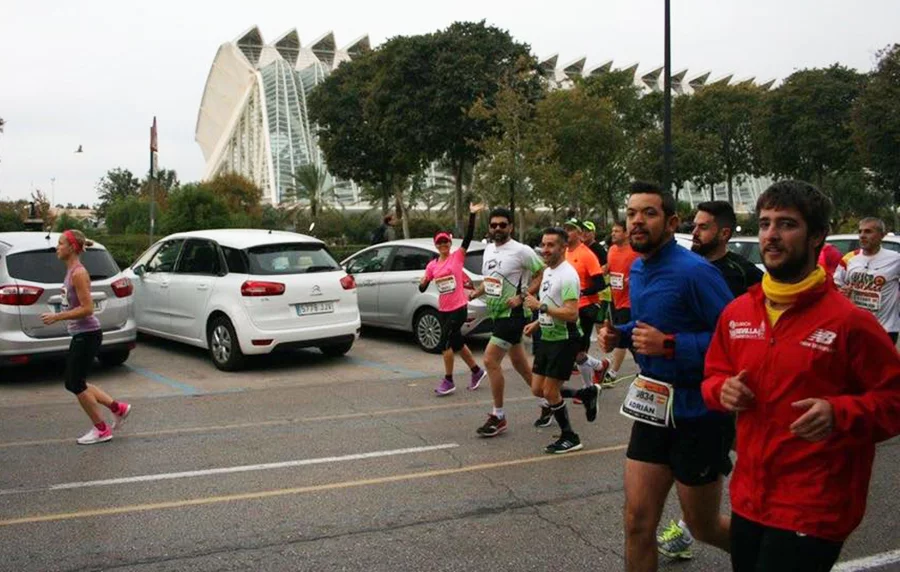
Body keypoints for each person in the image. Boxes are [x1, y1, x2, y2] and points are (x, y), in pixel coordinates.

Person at [701, 180, 900, 572]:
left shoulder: (851, 322)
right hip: (750, 498)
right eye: (764, 223)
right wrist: (721, 390)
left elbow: (894, 401)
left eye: (787, 224)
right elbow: (712, 377)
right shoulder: (738, 312)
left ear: (817, 236)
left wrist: (839, 412)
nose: (771, 236)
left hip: (814, 504)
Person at [598, 181, 734, 572]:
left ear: (672, 222)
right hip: (653, 409)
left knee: (702, 525)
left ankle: (763, 555)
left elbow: (736, 340)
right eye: (631, 213)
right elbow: (649, 325)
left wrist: (671, 345)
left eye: (649, 213)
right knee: (637, 522)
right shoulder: (638, 268)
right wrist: (621, 334)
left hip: (698, 413)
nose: (637, 221)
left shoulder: (696, 273)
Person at [657, 200, 763, 561]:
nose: (695, 231)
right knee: (734, 451)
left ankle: (761, 527)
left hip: (733, 381)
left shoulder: (742, 271)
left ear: (724, 232)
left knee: (743, 450)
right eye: (695, 224)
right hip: (698, 380)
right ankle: (698, 527)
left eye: (703, 226)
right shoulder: (689, 269)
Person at [40, 230, 132, 445]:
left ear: (72, 248)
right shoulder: (71, 270)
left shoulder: (79, 273)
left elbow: (88, 309)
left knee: (74, 383)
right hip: (82, 334)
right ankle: (118, 408)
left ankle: (102, 430)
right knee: (76, 382)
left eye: (61, 243)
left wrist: (57, 317)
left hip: (88, 334)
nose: (57, 247)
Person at [469, 207, 545, 437]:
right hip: (496, 314)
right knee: (522, 366)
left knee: (490, 360)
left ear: (511, 227)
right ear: (489, 228)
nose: (498, 229)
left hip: (513, 316)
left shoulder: (522, 251)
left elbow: (542, 273)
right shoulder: (489, 249)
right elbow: (491, 280)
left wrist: (522, 296)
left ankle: (498, 416)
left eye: (503, 225)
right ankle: (549, 403)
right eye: (494, 225)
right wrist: (477, 292)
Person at [522, 228, 596, 453]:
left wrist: (540, 307)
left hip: (565, 339)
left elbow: (572, 313)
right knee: (538, 389)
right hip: (547, 336)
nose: (545, 249)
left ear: (563, 247)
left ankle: (570, 436)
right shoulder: (549, 271)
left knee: (550, 392)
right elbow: (552, 304)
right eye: (543, 245)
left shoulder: (568, 275)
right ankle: (585, 393)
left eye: (551, 245)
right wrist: (537, 322)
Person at [419, 203, 488, 395]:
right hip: (444, 309)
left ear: (450, 243)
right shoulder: (432, 265)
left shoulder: (457, 257)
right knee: (457, 343)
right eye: (439, 243)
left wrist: (472, 215)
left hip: (459, 307)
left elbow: (467, 237)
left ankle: (448, 381)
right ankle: (477, 371)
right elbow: (423, 287)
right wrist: (423, 282)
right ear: (436, 245)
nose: (443, 245)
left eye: (446, 242)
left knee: (445, 344)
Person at [834, 217, 900, 344]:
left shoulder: (895, 259)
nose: (862, 236)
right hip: (857, 326)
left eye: (868, 231)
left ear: (882, 235)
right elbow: (836, 285)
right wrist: (842, 292)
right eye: (860, 232)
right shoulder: (850, 259)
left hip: (885, 328)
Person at [562, 219, 609, 391]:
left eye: (571, 229)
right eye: (565, 229)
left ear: (579, 233)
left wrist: (581, 292)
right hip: (567, 308)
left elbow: (600, 284)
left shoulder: (587, 254)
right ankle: (599, 366)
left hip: (585, 307)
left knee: (578, 351)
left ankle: (588, 388)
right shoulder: (563, 253)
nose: (566, 232)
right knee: (572, 349)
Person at [603, 220, 640, 386]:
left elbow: (643, 270)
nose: (613, 234)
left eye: (617, 231)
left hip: (629, 302)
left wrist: (632, 279)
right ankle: (645, 368)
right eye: (613, 231)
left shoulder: (634, 252)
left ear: (626, 233)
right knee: (628, 340)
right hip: (615, 300)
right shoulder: (611, 250)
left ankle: (612, 373)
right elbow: (609, 269)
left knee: (622, 337)